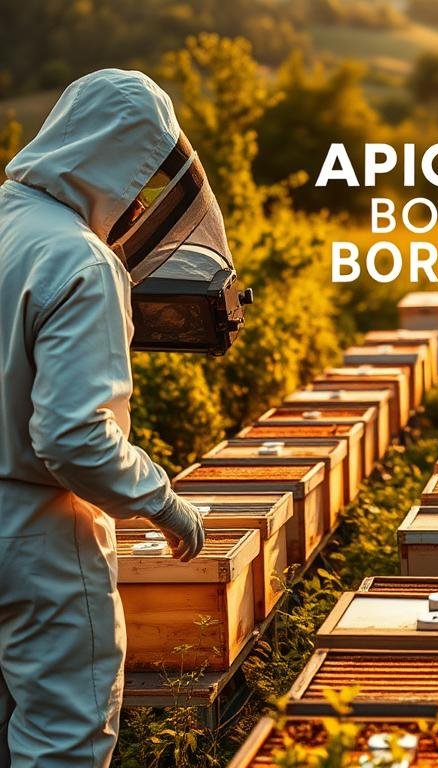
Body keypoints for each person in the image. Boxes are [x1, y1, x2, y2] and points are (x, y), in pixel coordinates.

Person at [0, 69, 221, 767]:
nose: (138, 208)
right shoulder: (79, 259)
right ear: (117, 162)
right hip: (38, 533)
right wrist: (164, 502)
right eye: (141, 183)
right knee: (61, 738)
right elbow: (72, 437)